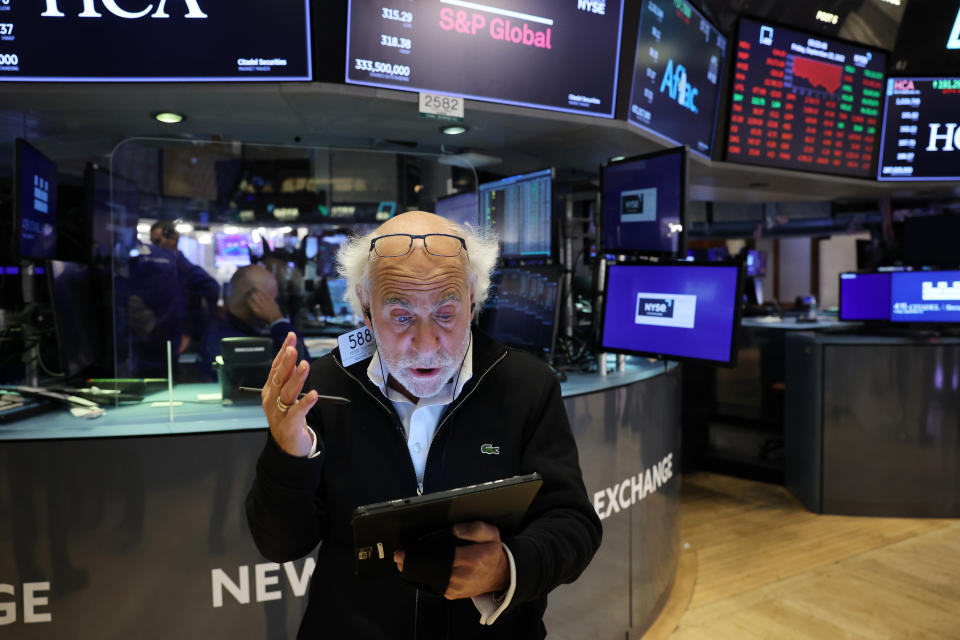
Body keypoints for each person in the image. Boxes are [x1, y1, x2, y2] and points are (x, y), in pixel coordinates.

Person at [245, 211, 602, 639]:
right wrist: (289, 455)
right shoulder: (322, 388)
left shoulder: (526, 385)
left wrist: (509, 565)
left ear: (473, 298)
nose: (427, 343)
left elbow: (573, 523)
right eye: (400, 316)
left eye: (447, 314)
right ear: (365, 307)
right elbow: (281, 544)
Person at [196, 264, 310, 382]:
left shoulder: (220, 325)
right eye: (272, 300)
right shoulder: (236, 344)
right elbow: (300, 373)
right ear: (257, 300)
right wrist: (277, 320)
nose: (275, 306)